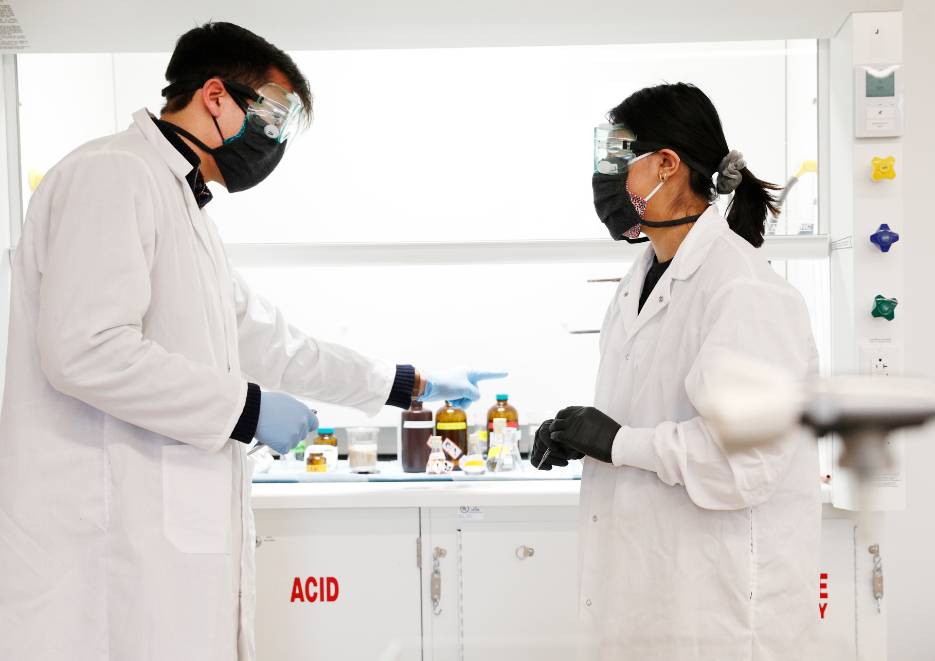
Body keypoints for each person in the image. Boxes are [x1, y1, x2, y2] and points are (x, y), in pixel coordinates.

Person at [0, 22, 503, 661]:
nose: (276, 138)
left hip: (155, 553)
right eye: (274, 115)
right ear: (215, 95)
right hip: (105, 555)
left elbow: (272, 342)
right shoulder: (113, 173)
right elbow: (85, 348)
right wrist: (246, 409)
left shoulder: (183, 205)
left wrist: (407, 384)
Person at [531, 83, 820, 660]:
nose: (605, 180)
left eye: (617, 160)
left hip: (719, 612)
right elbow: (647, 417)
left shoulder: (742, 288)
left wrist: (618, 442)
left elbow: (746, 463)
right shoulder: (640, 280)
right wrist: (580, 436)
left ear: (667, 164)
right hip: (648, 593)